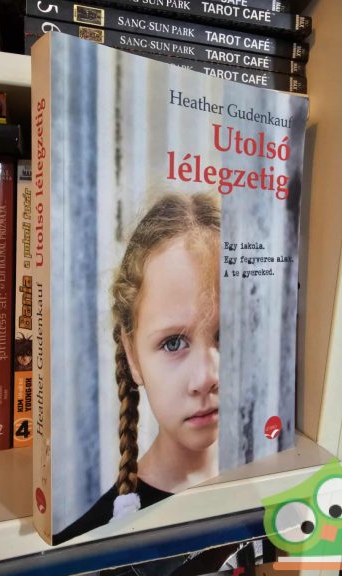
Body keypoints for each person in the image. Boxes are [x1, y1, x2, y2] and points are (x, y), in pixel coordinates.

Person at [54, 192, 221, 545]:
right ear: (132, 356)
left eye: (227, 335)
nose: (206, 378)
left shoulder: (281, 485)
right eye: (173, 343)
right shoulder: (89, 543)